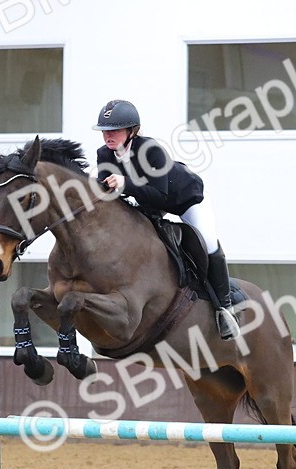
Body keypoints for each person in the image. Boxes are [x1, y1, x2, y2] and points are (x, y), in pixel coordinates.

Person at [93, 99, 239, 340]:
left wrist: (125, 185)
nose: (108, 135)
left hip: (185, 200)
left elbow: (161, 196)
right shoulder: (104, 154)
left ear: (132, 131)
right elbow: (107, 193)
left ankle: (225, 309)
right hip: (149, 204)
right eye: (105, 131)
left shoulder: (150, 150)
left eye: (115, 130)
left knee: (209, 243)